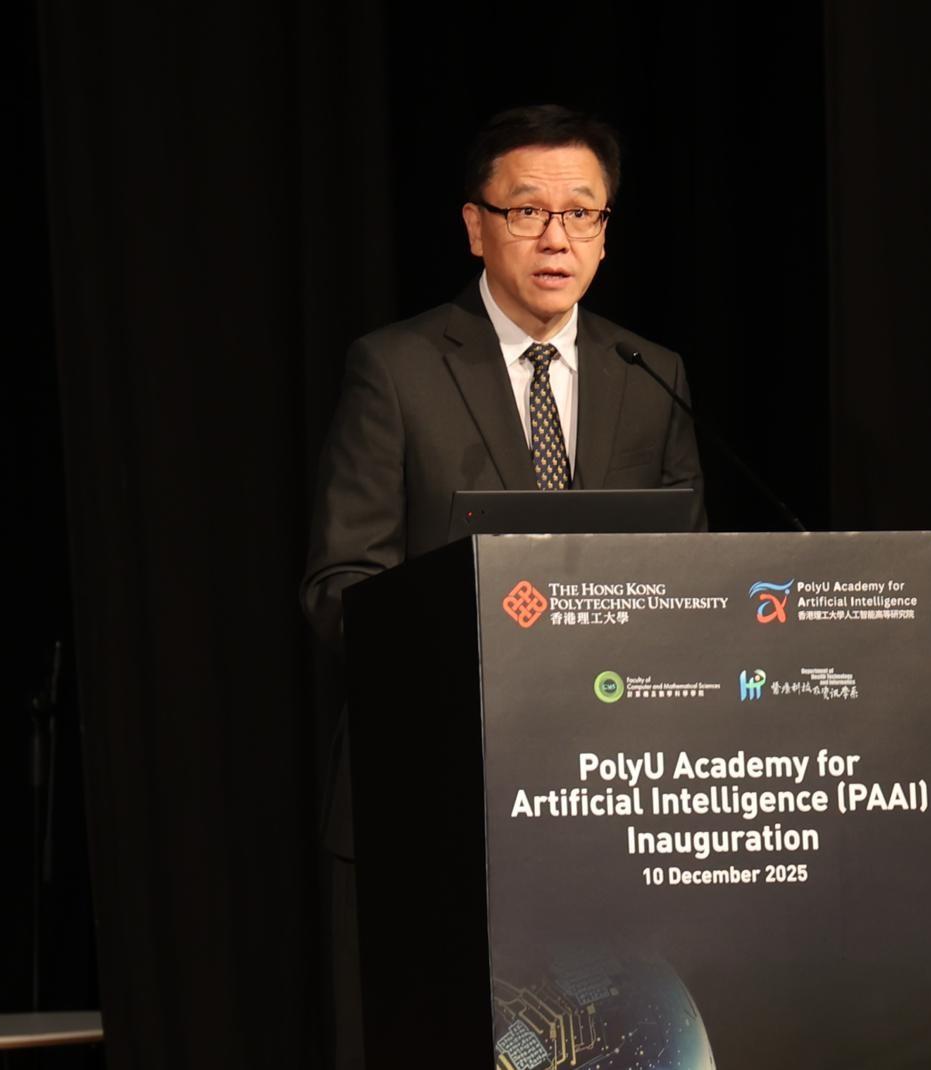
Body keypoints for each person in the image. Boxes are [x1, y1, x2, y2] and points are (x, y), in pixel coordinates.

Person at [300, 104, 706, 1067]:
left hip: (603, 800)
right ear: (476, 226)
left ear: (606, 230)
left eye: (582, 212)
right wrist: (470, 659)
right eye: (527, 211)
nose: (557, 237)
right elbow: (340, 583)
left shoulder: (650, 374)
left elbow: (689, 582)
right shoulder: (396, 370)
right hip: (433, 794)